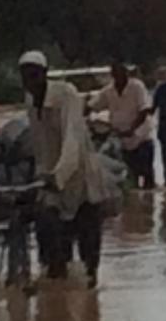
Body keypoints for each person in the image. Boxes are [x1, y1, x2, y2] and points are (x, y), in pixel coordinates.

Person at [20, 50, 110, 289]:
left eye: (34, 76)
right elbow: (40, 144)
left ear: (45, 75)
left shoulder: (66, 95)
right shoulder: (30, 101)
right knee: (49, 229)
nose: (30, 83)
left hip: (81, 178)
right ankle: (55, 277)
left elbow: (73, 142)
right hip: (52, 178)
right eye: (26, 77)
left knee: (88, 244)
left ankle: (90, 294)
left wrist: (57, 176)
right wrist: (41, 176)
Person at [95, 61, 156, 189]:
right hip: (122, 142)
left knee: (147, 178)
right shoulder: (108, 91)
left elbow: (144, 110)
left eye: (122, 73)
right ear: (112, 75)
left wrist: (132, 129)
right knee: (129, 180)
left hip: (141, 138)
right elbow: (93, 105)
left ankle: (148, 204)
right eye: (116, 73)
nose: (120, 76)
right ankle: (135, 205)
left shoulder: (138, 87)